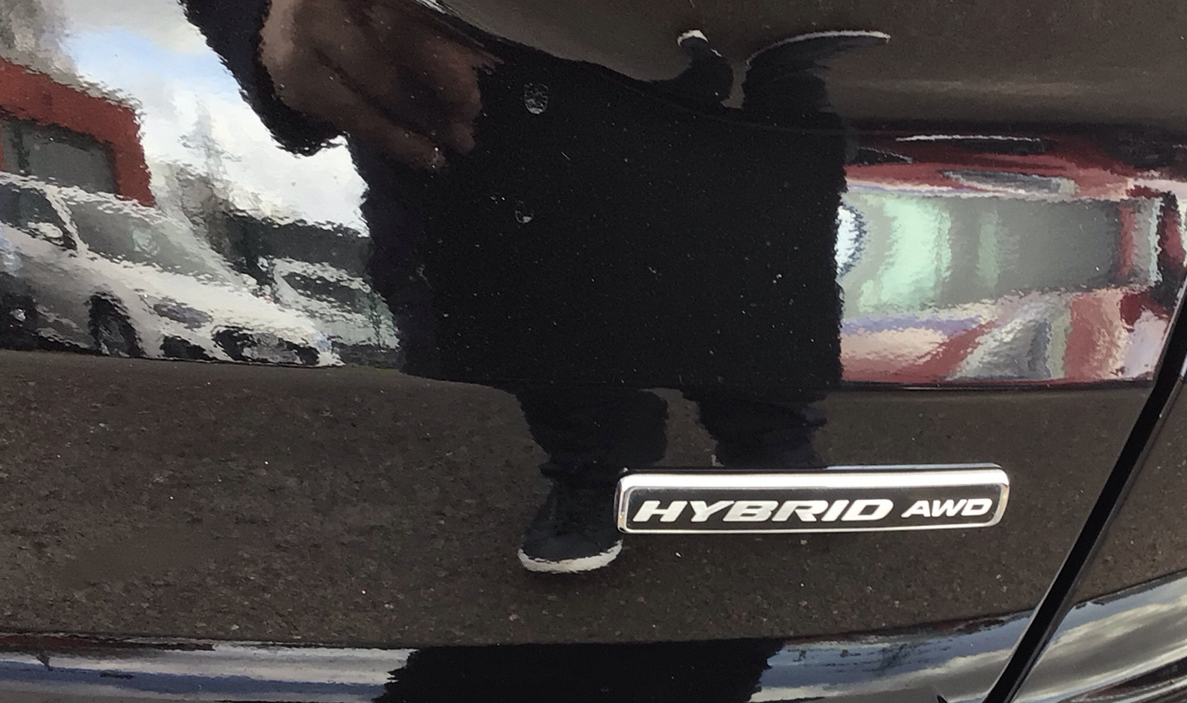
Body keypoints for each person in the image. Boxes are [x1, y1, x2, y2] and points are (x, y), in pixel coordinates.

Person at [185, 0, 880, 571]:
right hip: (462, 41)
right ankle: (594, 466)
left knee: (757, 212)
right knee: (525, 255)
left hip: (678, 38)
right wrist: (255, 11)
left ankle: (767, 438)